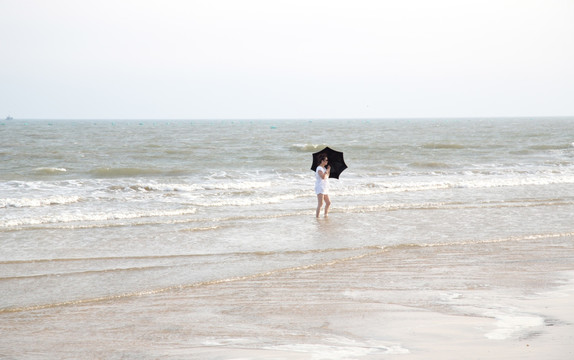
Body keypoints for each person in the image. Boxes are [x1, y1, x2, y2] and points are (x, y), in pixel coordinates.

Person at [315, 153, 331, 218]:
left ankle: (325, 215)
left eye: (327, 160)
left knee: (328, 202)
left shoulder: (324, 168)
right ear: (322, 161)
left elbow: (327, 176)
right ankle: (317, 217)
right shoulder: (319, 168)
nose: (327, 161)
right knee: (320, 204)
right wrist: (327, 170)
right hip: (320, 187)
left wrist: (328, 170)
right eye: (326, 160)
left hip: (325, 187)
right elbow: (323, 177)